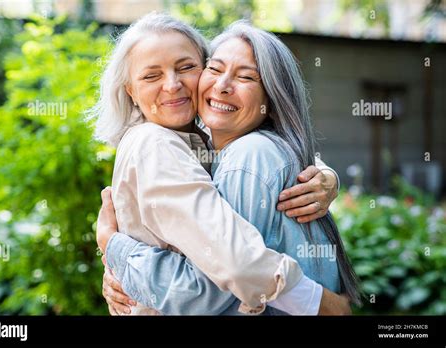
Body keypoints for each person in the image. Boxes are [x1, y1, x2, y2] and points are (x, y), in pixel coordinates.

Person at [90, 13, 357, 315]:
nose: (173, 84)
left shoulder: (217, 147)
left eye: (187, 67)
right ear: (130, 91)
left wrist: (325, 175)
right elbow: (221, 280)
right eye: (151, 76)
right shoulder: (155, 143)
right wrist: (115, 250)